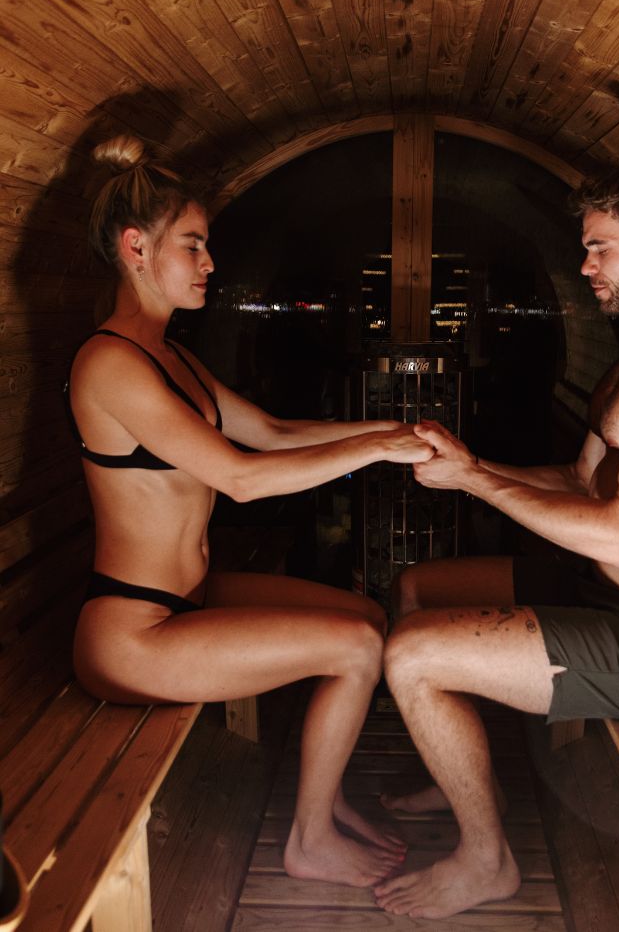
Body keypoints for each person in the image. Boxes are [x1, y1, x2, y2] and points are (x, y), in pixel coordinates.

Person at [373, 152, 619, 918]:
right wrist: (473, 462)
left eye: (599, 247)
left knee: (412, 656)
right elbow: (581, 482)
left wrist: (476, 483)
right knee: (418, 589)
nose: (583, 264)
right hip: (602, 600)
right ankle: (450, 763)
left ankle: (486, 861)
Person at [65, 134, 435, 889]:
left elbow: (270, 431)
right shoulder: (109, 364)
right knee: (357, 651)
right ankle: (309, 839)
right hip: (133, 633)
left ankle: (324, 803)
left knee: (364, 618)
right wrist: (378, 451)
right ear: (137, 248)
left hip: (186, 601)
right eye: (193, 246)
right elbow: (240, 479)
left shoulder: (169, 355)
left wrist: (390, 430)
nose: (209, 264)